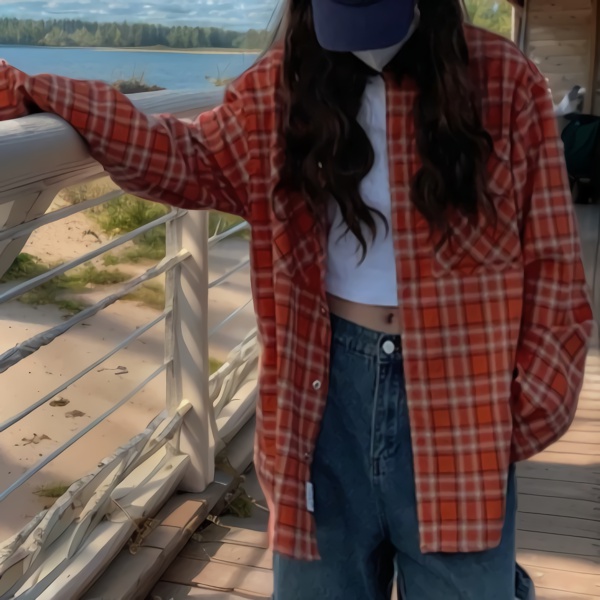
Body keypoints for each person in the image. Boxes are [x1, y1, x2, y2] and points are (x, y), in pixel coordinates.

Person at [0, 0, 593, 598]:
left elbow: (552, 259)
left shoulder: (503, 80)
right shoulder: (279, 87)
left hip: (463, 393)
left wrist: (527, 408)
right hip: (321, 397)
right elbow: (181, 158)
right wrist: (41, 91)